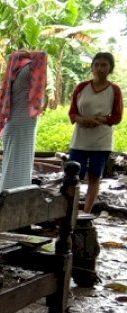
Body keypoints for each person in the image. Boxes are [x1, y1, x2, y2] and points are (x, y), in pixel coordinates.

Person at [68, 52, 123, 213]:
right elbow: (72, 113)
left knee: (94, 176)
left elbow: (117, 116)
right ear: (91, 68)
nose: (100, 68)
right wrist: (84, 119)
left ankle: (86, 213)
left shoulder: (114, 90)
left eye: (104, 65)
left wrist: (100, 120)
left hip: (101, 142)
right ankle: (70, 211)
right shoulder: (81, 88)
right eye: (97, 64)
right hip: (80, 140)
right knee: (73, 177)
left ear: (110, 68)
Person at [0, 51, 48, 194]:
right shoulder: (27, 69)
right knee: (22, 162)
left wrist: (22, 54)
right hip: (24, 120)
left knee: (13, 162)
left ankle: (7, 193)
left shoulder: (14, 74)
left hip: (16, 121)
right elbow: (42, 56)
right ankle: (15, 194)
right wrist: (28, 53)